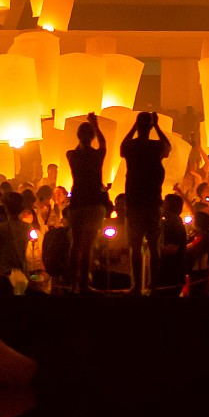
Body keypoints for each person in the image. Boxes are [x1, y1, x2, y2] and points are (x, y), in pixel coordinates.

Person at [118, 112, 170, 296]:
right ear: (149, 127)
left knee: (135, 245)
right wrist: (157, 126)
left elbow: (121, 148)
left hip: (135, 200)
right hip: (153, 200)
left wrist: (134, 127)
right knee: (154, 245)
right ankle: (153, 285)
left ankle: (137, 286)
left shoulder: (132, 146)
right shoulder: (156, 147)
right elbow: (168, 147)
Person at [63, 115, 111, 293]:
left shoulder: (72, 155)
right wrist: (95, 126)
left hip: (77, 201)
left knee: (76, 244)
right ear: (92, 137)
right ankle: (83, 284)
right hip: (94, 202)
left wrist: (88, 131)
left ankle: (72, 284)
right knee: (88, 245)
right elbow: (103, 144)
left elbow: (82, 147)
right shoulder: (97, 155)